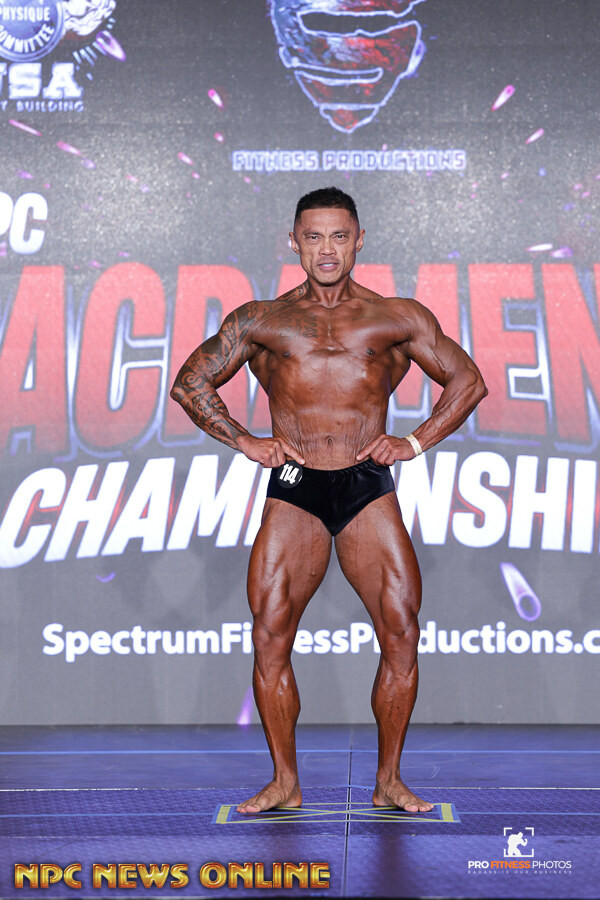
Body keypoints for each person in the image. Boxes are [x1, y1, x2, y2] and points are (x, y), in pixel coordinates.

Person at [171, 186, 487, 815]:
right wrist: (244, 440)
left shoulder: (397, 317)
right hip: (296, 487)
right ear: (294, 242)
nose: (326, 249)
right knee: (270, 635)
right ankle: (284, 782)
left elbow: (468, 382)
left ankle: (389, 781)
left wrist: (414, 442)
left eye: (338, 236)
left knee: (400, 631)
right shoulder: (262, 320)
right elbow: (190, 382)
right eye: (313, 237)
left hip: (367, 483)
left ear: (358, 240)